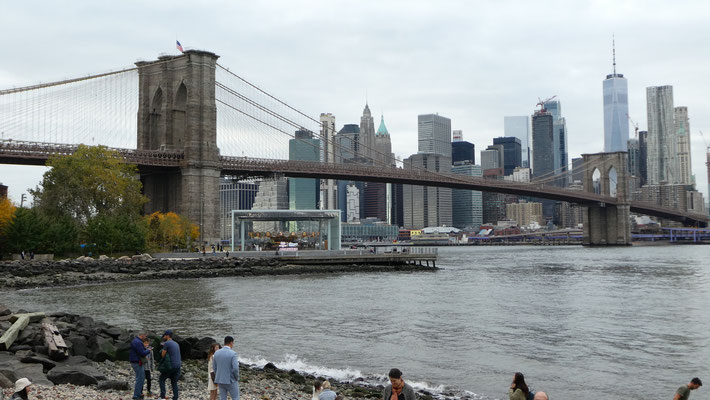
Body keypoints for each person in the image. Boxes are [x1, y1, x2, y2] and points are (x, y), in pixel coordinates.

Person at [212, 336, 240, 400]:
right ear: (231, 343)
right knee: (235, 397)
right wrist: (236, 377)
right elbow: (235, 368)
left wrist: (218, 375)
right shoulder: (233, 353)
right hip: (230, 380)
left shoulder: (216, 353)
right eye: (233, 343)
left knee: (222, 398)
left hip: (220, 379)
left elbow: (214, 367)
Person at [159, 330, 182, 400]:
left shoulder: (167, 343)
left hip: (171, 365)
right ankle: (175, 397)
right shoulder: (176, 343)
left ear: (167, 336)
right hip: (178, 366)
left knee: (161, 379)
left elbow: (163, 354)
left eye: (164, 335)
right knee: (174, 382)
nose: (164, 337)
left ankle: (162, 395)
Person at [129, 332, 151, 400]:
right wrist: (148, 350)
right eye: (145, 335)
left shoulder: (135, 340)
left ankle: (138, 394)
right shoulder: (139, 342)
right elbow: (142, 353)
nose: (145, 337)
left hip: (135, 361)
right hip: (137, 362)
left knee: (140, 377)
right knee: (140, 378)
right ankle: (136, 395)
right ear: (142, 335)